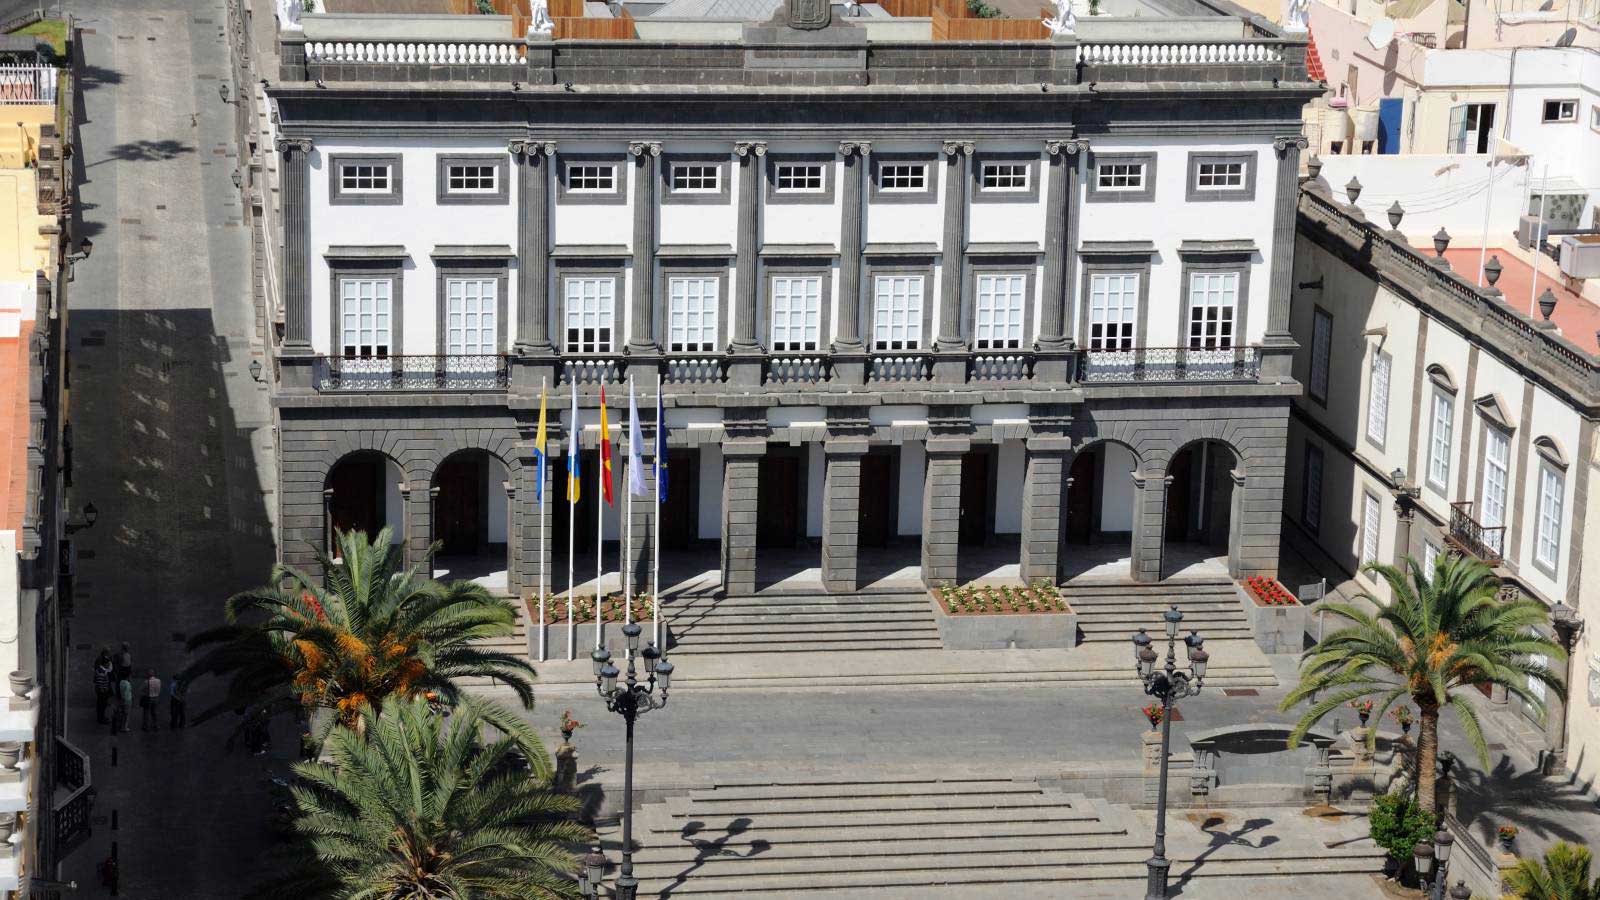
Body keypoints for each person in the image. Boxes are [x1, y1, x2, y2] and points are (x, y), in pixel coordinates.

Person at [92, 650, 113, 724]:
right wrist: (104, 690)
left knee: (101, 705)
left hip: (101, 691)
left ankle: (101, 717)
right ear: (104, 664)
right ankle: (101, 719)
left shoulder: (101, 670)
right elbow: (100, 683)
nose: (108, 665)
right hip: (102, 692)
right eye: (107, 664)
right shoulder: (102, 673)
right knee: (101, 705)